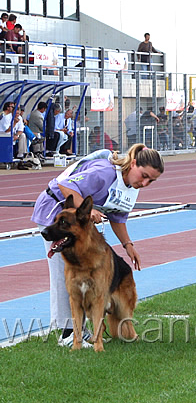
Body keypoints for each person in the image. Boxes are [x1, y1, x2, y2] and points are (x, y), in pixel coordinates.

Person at [31, 144, 164, 347]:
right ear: (134, 163)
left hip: (78, 223)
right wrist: (86, 208)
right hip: (57, 213)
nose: (145, 183)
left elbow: (118, 218)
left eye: (151, 181)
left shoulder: (130, 186)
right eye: (144, 175)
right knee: (64, 273)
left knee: (83, 275)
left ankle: (80, 331)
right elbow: (65, 185)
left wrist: (128, 245)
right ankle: (67, 333)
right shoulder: (104, 172)